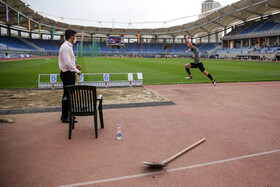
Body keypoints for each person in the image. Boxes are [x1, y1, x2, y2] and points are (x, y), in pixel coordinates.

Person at [58, 29, 81, 123]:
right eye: (74, 36)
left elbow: (69, 61)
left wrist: (75, 67)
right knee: (68, 95)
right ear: (71, 37)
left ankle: (65, 114)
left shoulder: (67, 46)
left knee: (67, 95)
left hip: (68, 73)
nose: (75, 38)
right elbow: (67, 63)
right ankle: (65, 116)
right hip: (68, 74)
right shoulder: (66, 47)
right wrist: (76, 71)